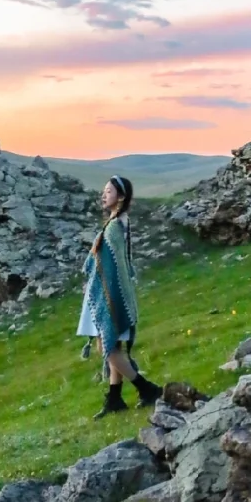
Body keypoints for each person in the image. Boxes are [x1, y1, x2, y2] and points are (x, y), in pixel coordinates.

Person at [78, 175, 162, 418]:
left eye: (109, 191)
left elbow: (111, 266)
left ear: (121, 197)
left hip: (109, 293)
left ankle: (147, 389)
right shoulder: (119, 222)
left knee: (104, 345)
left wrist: (100, 289)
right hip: (109, 291)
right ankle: (114, 399)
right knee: (112, 344)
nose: (104, 195)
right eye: (104, 191)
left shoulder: (115, 227)